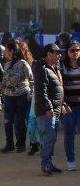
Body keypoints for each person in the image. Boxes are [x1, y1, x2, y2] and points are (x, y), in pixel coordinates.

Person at [34, 43, 64, 176]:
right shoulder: (41, 67)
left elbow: (58, 89)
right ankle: (45, 163)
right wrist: (48, 107)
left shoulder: (54, 67)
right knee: (50, 136)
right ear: (49, 54)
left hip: (55, 109)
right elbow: (41, 90)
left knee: (52, 137)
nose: (59, 56)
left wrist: (63, 104)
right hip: (46, 110)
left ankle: (49, 163)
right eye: (57, 53)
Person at [1, 40, 33, 153]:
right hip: (8, 96)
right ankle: (9, 144)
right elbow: (5, 80)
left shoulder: (23, 64)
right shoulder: (7, 64)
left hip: (21, 96)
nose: (5, 52)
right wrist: (2, 85)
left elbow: (32, 79)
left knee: (19, 120)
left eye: (6, 50)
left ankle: (21, 144)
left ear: (12, 51)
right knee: (7, 120)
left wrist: (31, 93)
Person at [59, 41, 80, 171]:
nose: (75, 53)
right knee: (69, 134)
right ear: (67, 52)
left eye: (78, 50)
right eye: (72, 50)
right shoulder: (61, 66)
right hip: (68, 107)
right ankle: (71, 161)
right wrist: (63, 104)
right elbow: (59, 87)